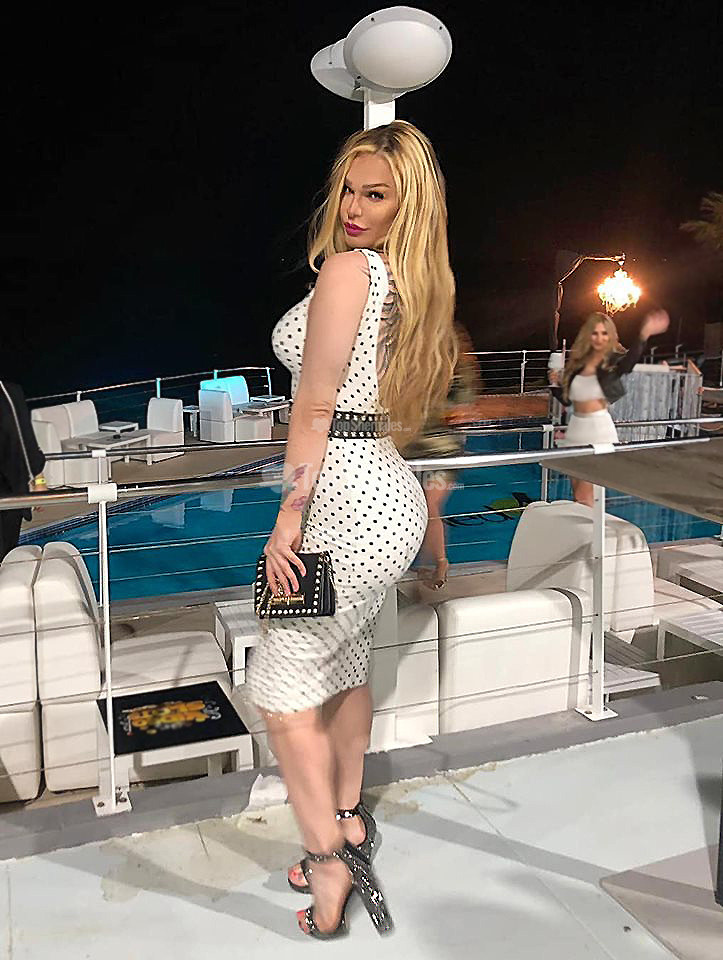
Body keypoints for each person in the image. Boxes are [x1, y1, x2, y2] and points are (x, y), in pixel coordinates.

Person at [244, 120, 457, 940]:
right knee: (343, 668)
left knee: (280, 696)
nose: (354, 209)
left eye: (376, 195)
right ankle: (347, 819)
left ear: (408, 206)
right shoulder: (410, 282)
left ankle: (327, 861)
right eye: (348, 191)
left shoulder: (349, 270)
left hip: (345, 503)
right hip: (384, 493)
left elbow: (315, 405)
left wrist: (286, 518)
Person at [549, 310, 669, 506]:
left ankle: (594, 525)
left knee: (585, 497)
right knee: (579, 496)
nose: (599, 338)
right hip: (576, 430)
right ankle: (591, 525)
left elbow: (627, 364)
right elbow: (568, 401)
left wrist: (644, 334)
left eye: (604, 333)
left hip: (597, 430)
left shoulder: (610, 363)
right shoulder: (578, 366)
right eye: (595, 333)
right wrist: (554, 384)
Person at [405, 324, 481, 590]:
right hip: (412, 449)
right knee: (415, 507)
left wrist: (452, 413)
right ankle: (419, 561)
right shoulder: (414, 370)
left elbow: (463, 411)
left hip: (444, 450)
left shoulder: (459, 377)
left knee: (430, 505)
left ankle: (439, 562)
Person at [0, 380, 46, 562]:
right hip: (10, 491)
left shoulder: (8, 393)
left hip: (10, 490)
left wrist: (39, 480)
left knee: (6, 554)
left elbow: (24, 437)